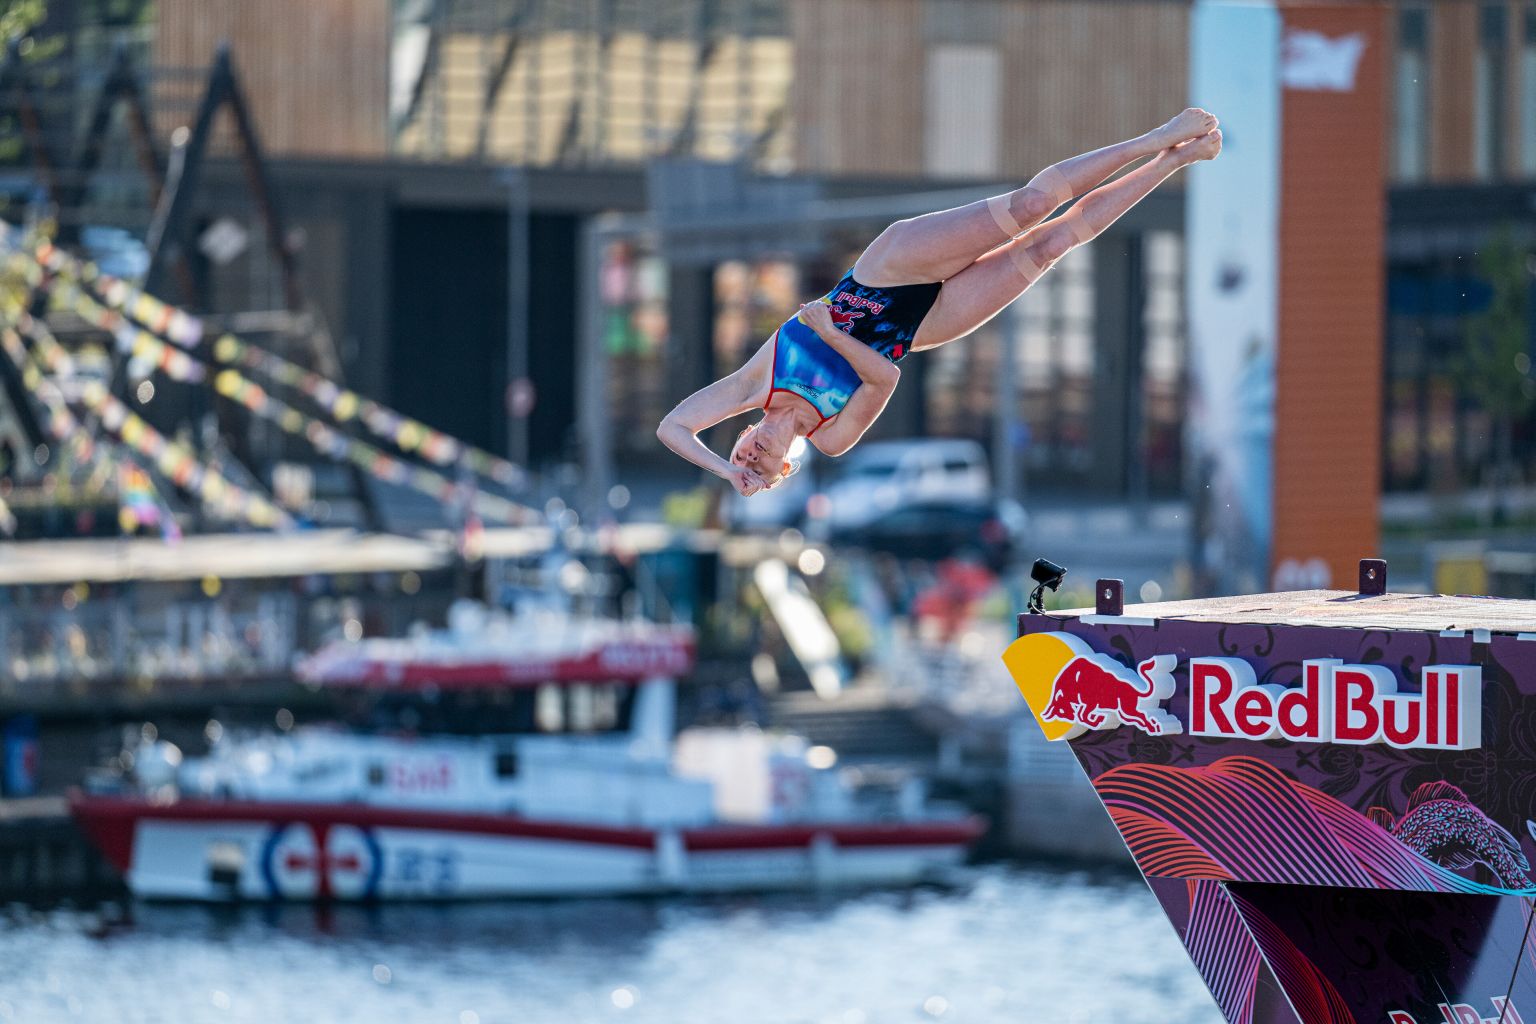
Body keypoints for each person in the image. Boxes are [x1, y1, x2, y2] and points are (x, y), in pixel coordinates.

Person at [658, 109, 1222, 497]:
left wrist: (719, 471)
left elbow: (673, 427)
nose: (753, 453)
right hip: (921, 326)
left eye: (742, 453)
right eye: (759, 465)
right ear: (784, 467)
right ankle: (1175, 161)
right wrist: (828, 334)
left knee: (1027, 208)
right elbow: (884, 381)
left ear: (743, 434)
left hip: (888, 269)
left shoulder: (755, 385)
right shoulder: (830, 437)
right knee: (1051, 244)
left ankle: (1154, 139)